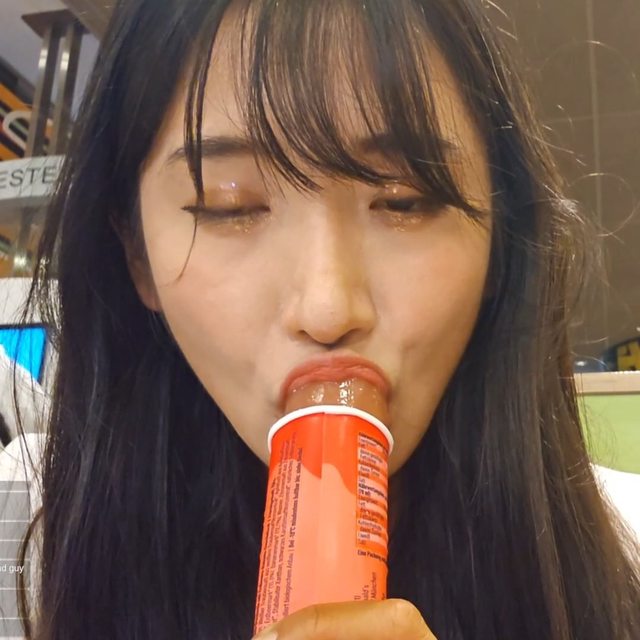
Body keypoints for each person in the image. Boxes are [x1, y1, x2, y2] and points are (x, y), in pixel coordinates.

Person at [9, 0, 640, 638]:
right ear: (138, 256)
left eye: (406, 199)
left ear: (500, 239)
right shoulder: (33, 552)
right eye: (230, 205)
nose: (328, 308)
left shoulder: (628, 554)